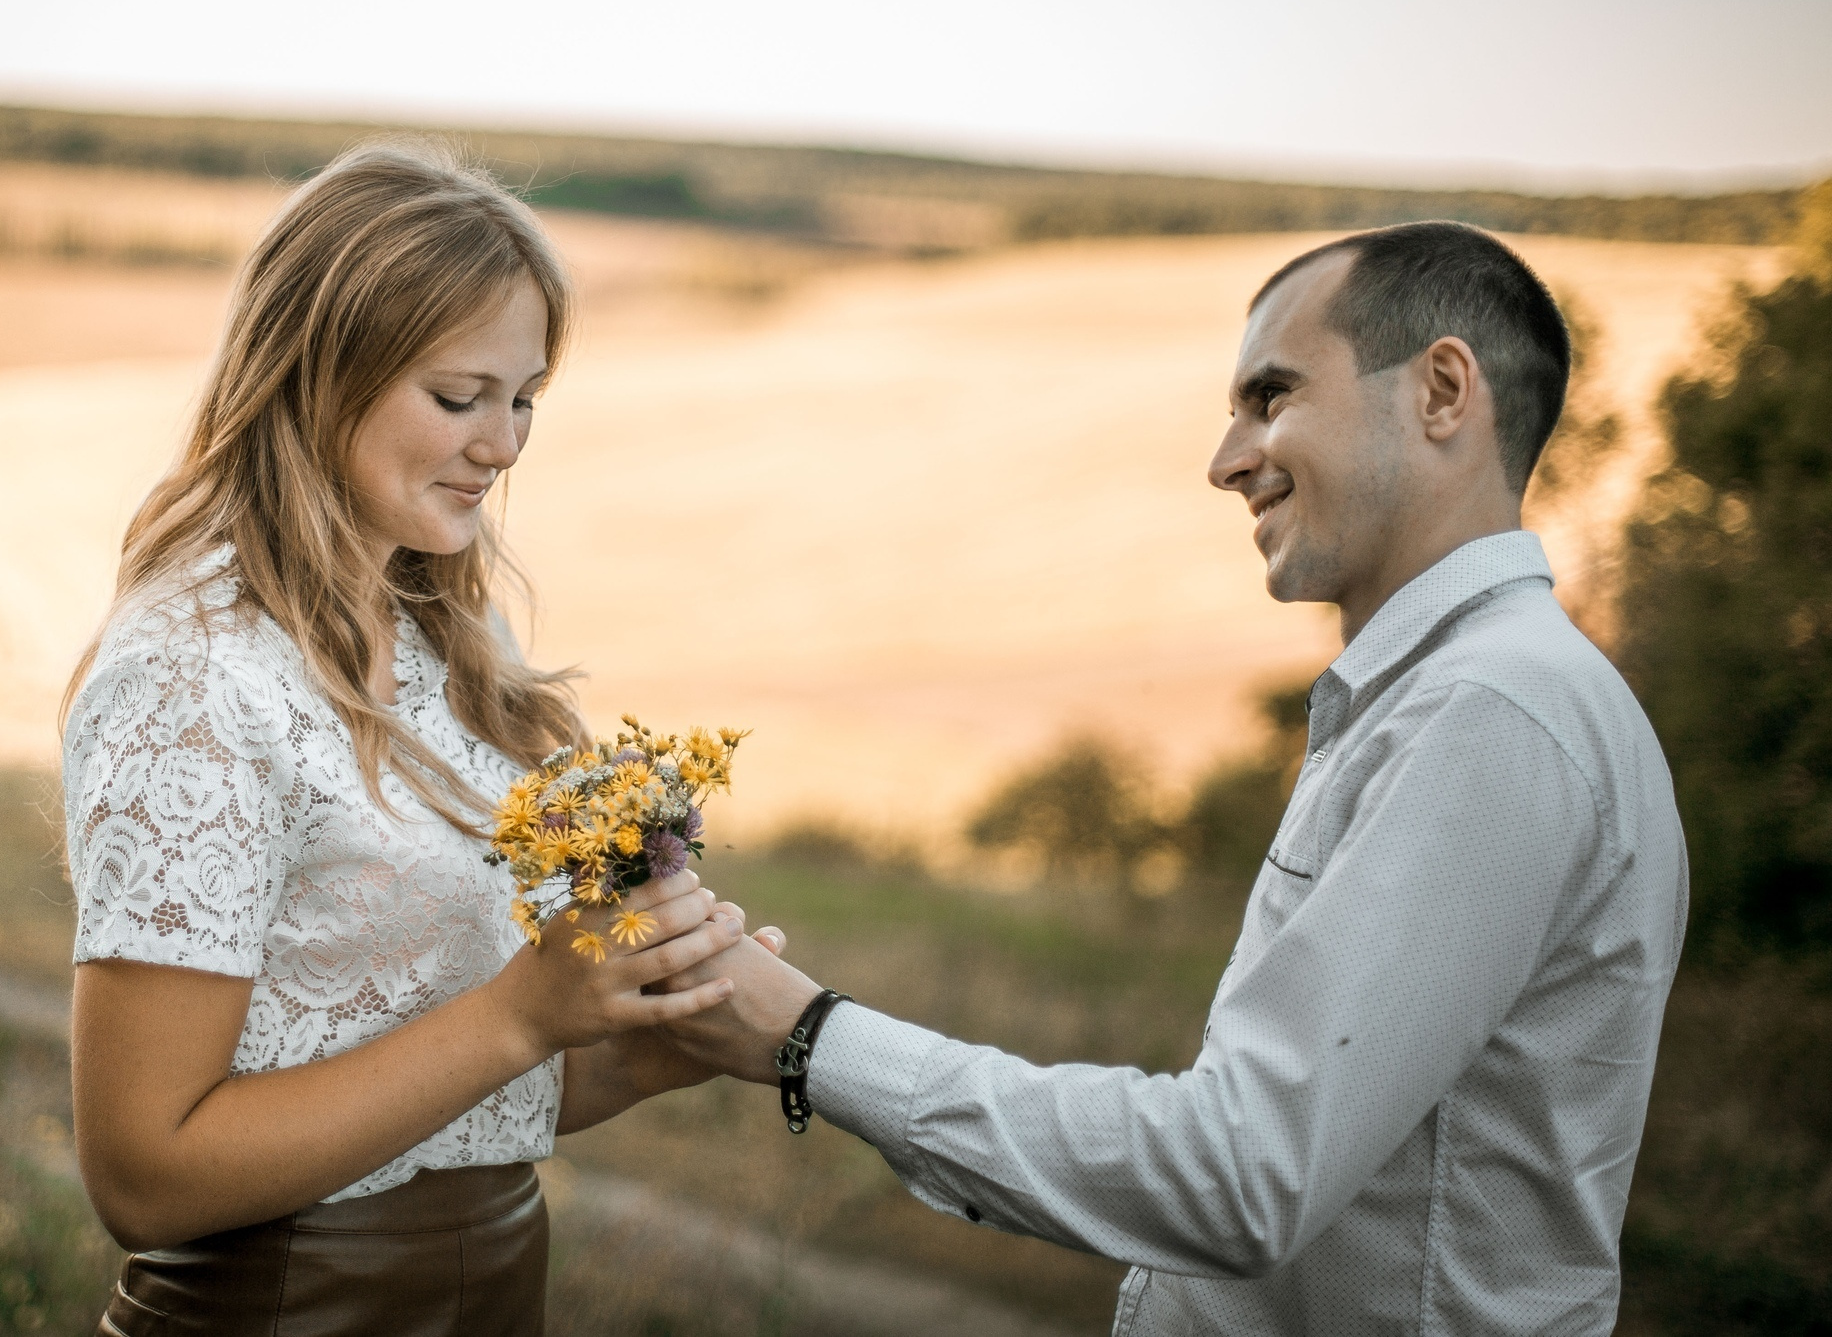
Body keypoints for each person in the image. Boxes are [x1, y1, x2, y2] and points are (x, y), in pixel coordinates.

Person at [660, 222, 1689, 1335]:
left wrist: (812, 1037)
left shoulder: (1488, 716)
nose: (1226, 459)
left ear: (1442, 390)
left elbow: (1239, 1176)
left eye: (1271, 396)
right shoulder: (1457, 697)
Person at [60, 142, 752, 1336]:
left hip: (490, 1286)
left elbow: (446, 1089)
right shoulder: (192, 675)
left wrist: (637, 1033)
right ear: (319, 374)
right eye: (459, 397)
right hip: (281, 1307)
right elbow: (144, 1177)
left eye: (523, 397)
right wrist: (526, 1014)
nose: (506, 446)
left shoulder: (447, 635)